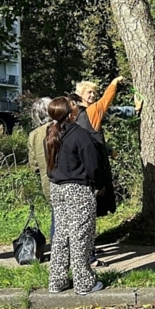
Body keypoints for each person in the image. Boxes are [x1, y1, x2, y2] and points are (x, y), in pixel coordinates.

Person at [45, 96, 105, 295]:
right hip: (78, 189)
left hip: (57, 187)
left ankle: (57, 280)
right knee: (81, 235)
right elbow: (93, 164)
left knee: (61, 234)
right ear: (71, 113)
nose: (76, 105)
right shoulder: (80, 134)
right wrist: (98, 184)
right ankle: (83, 281)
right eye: (72, 104)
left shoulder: (50, 134)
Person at [75, 77, 125, 218]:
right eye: (89, 92)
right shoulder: (92, 111)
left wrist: (108, 150)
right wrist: (114, 83)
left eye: (94, 93)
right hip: (94, 167)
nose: (92, 95)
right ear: (81, 95)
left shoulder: (74, 113)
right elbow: (105, 101)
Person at [27, 97, 54, 239]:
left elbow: (34, 165)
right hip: (68, 177)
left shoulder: (33, 135)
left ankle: (58, 253)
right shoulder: (60, 127)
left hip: (47, 180)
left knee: (57, 215)